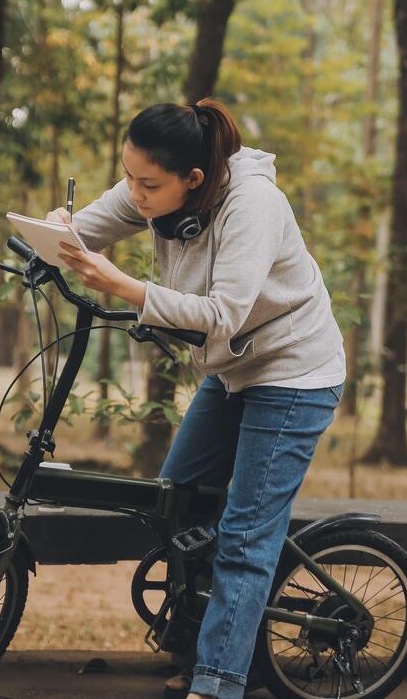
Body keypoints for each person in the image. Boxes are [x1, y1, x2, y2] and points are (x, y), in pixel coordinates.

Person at [47, 98, 345, 699]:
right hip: (234, 371)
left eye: (147, 184)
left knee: (244, 535)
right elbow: (87, 230)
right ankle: (217, 638)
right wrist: (51, 235)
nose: (134, 192)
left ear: (194, 179)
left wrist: (123, 284)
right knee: (177, 501)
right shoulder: (154, 187)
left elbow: (222, 314)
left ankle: (218, 680)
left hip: (292, 372)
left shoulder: (253, 205)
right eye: (128, 176)